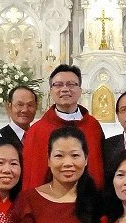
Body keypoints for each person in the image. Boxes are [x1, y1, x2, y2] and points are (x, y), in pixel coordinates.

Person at [22, 64, 105, 193]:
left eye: (71, 84)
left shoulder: (93, 126)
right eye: (58, 85)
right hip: (51, 205)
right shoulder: (37, 131)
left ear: (80, 90)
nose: (65, 89)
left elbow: (98, 170)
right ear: (50, 91)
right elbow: (33, 177)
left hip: (90, 204)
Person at [0, 84, 39, 150]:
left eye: (30, 105)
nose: (25, 110)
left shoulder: (40, 136)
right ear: (9, 106)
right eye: (20, 105)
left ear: (36, 107)